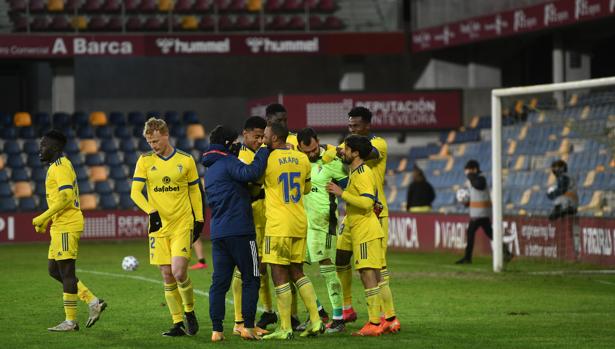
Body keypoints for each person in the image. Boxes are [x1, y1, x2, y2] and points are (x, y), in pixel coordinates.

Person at [323, 107, 398, 333]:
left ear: (367, 125)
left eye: (356, 126)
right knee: (341, 258)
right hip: (353, 214)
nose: (352, 129)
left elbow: (368, 153)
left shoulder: (378, 144)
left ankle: (388, 317)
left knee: (376, 269)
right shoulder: (352, 154)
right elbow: (333, 154)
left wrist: (346, 149)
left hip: (374, 212)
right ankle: (347, 307)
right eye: (350, 126)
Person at [130, 117, 204, 337]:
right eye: (149, 142)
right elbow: (135, 192)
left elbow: (194, 191)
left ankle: (189, 311)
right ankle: (177, 322)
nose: (153, 146)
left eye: (155, 141)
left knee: (179, 272)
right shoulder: (144, 161)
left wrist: (199, 219)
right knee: (166, 275)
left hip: (182, 223)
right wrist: (150, 212)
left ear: (165, 135)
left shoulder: (186, 160)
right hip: (158, 227)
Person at [201, 125, 271, 341]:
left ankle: (216, 330)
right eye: (235, 141)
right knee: (252, 277)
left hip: (218, 233)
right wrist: (263, 151)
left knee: (219, 283)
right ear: (228, 144)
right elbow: (250, 172)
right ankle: (248, 327)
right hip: (240, 231)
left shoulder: (210, 170)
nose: (238, 145)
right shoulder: (227, 162)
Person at [32, 129, 107, 332]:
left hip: (67, 225)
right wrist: (48, 220)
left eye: (44, 145)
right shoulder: (56, 166)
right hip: (60, 224)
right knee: (54, 270)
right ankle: (93, 301)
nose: (40, 148)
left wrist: (43, 216)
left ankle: (71, 321)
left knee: (66, 272)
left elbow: (65, 197)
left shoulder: (60, 166)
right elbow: (61, 199)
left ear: (55, 148)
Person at [260, 122, 324, 340]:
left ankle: (285, 327)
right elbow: (305, 189)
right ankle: (316, 321)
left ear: (275, 138)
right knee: (297, 272)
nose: (263, 139)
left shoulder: (267, 159)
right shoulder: (302, 158)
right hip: (299, 222)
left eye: (266, 135)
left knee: (278, 273)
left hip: (278, 225)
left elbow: (254, 181)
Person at [326, 135, 386, 337]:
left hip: (366, 231)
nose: (343, 151)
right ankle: (377, 321)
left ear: (356, 153)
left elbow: (367, 203)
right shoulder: (356, 171)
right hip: (361, 229)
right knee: (368, 274)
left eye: (347, 149)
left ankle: (375, 322)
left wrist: (342, 193)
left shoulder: (363, 173)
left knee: (368, 274)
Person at [296, 127, 348, 333]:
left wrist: (342, 191)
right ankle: (317, 312)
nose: (311, 154)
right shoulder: (299, 161)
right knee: (295, 269)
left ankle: (338, 318)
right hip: (302, 224)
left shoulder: (333, 162)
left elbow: (352, 187)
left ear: (318, 141)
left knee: (327, 269)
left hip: (325, 225)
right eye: (306, 151)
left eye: (314, 149)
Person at [229, 116, 276, 334]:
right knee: (246, 268)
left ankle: (267, 311)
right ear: (245, 133)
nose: (259, 141)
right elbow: (248, 189)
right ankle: (240, 322)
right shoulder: (240, 155)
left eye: (262, 137)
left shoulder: (257, 153)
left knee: (261, 268)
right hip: (250, 218)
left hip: (265, 217)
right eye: (256, 136)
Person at [456, 160, 512, 265]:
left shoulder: (481, 178)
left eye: (468, 171)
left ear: (474, 169)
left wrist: (470, 177)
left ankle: (467, 258)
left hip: (480, 214)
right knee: (491, 234)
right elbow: (476, 195)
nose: (467, 173)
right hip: (480, 213)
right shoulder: (473, 180)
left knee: (471, 233)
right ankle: (507, 253)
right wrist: (467, 202)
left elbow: (479, 185)